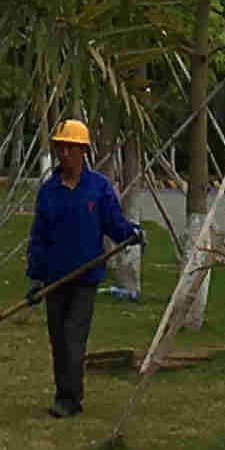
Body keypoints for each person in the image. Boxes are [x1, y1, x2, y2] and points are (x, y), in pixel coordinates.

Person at [24, 117, 138, 418]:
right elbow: (39, 236)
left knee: (74, 338)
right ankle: (65, 393)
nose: (64, 154)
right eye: (61, 148)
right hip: (54, 279)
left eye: (71, 149)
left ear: (83, 151)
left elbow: (114, 224)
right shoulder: (49, 191)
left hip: (85, 279)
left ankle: (70, 399)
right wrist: (35, 278)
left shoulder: (98, 188)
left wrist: (132, 233)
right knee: (58, 341)